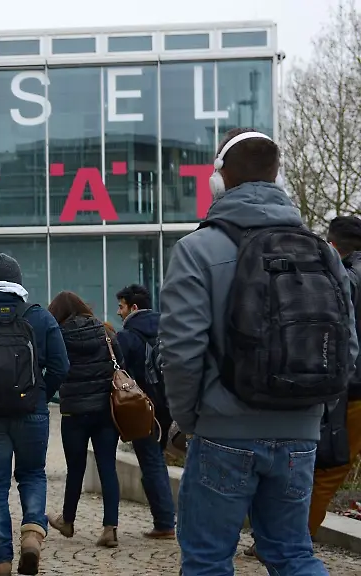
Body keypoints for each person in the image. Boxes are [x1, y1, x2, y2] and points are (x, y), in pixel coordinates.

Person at [159, 128, 358, 575]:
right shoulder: (324, 255)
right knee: (292, 553)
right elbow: (348, 347)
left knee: (208, 560)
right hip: (301, 432)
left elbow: (181, 349)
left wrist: (192, 420)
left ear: (219, 180)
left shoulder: (196, 250)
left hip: (224, 431)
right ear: (276, 177)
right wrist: (314, 411)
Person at [0, 254, 70, 575]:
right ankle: (33, 533)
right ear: (19, 282)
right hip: (33, 413)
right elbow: (61, 366)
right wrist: (41, 394)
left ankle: (0, 558)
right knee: (32, 474)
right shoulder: (39, 317)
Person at [46, 291, 123, 549]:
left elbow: (54, 367)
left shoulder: (58, 335)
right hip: (104, 411)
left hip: (74, 413)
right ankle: (110, 528)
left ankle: (67, 521)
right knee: (107, 468)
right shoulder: (106, 332)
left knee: (75, 469)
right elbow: (120, 362)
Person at [309, 216, 361, 534]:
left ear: (333, 245)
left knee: (328, 472)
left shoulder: (345, 279)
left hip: (354, 392)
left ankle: (291, 544)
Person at [113, 284, 176, 540]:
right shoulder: (169, 329)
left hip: (143, 408)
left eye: (121, 306)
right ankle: (164, 519)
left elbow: (120, 374)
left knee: (151, 462)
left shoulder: (127, 337)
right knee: (156, 459)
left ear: (134, 308)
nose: (119, 312)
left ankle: (164, 522)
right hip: (171, 407)